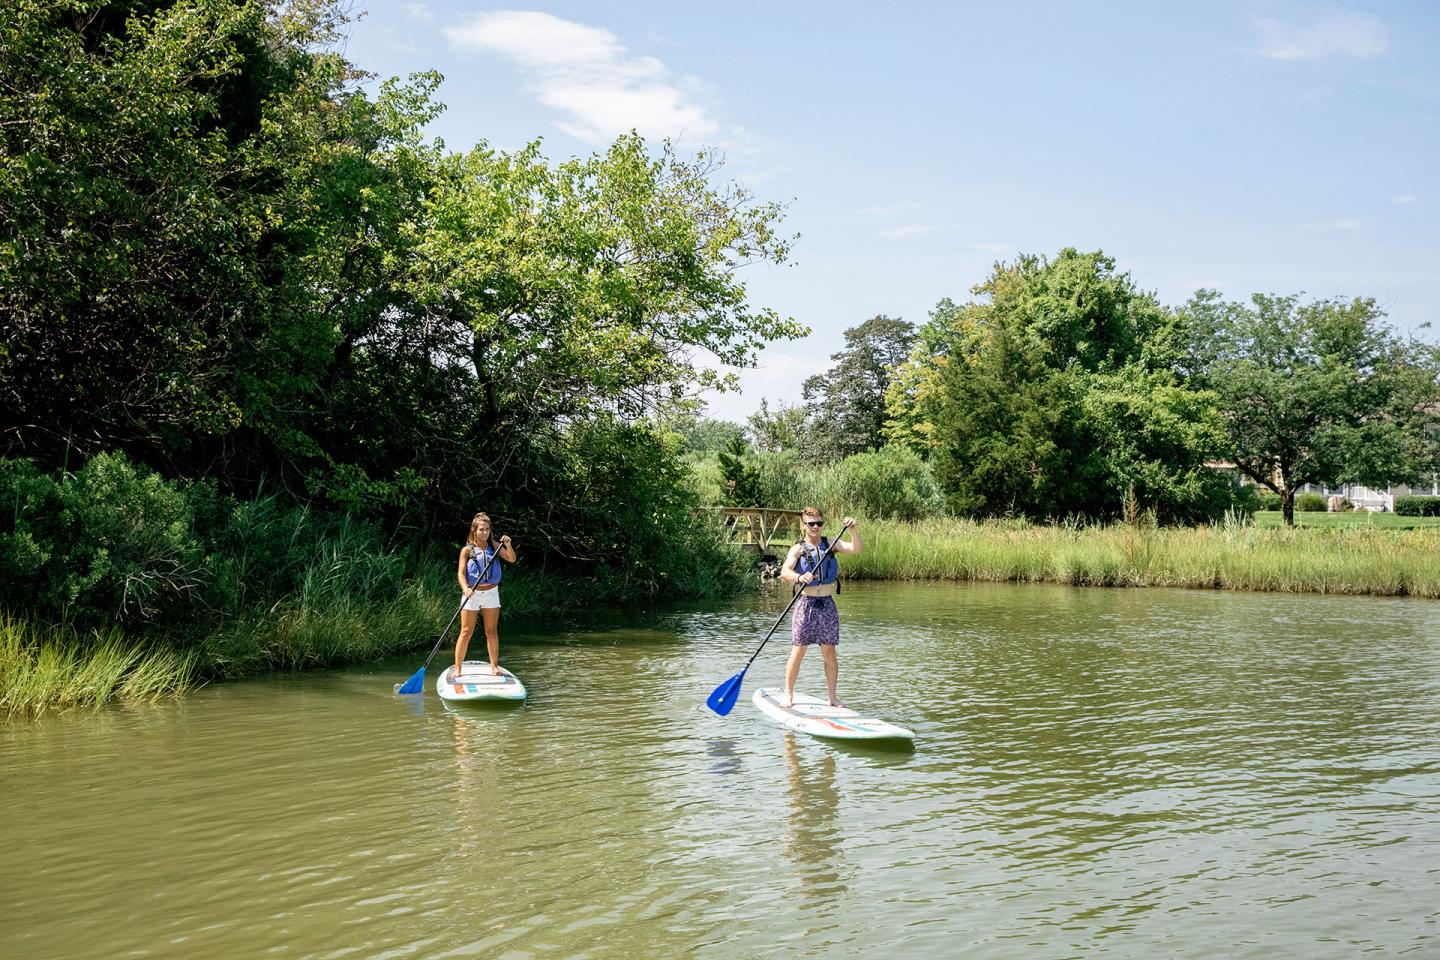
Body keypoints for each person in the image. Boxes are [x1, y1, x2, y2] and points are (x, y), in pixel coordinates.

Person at [778, 507, 860, 708]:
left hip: (827, 605)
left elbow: (856, 549)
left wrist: (853, 530)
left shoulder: (831, 543)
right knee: (798, 651)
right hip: (806, 605)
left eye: (819, 523)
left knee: (830, 652)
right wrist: (799, 577)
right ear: (803, 525)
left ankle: (832, 697)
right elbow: (784, 572)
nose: (815, 527)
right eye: (811, 523)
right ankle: (788, 694)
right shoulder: (797, 549)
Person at [454, 512, 516, 677]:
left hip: (491, 593)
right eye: (481, 529)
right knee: (466, 631)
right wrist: (465, 588)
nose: (485, 532)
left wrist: (508, 545)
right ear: (474, 531)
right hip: (472, 594)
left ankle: (494, 667)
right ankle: (458, 668)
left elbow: (511, 559)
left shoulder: (494, 546)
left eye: (487, 529)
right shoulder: (467, 550)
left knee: (491, 631)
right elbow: (460, 574)